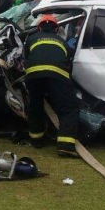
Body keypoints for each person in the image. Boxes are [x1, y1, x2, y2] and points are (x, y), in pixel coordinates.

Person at [23, 14, 81, 155]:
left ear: (39, 28)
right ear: (56, 29)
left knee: (35, 105)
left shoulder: (30, 39)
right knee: (69, 107)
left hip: (33, 75)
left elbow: (25, 56)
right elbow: (68, 59)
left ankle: (36, 140)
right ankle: (65, 146)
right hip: (57, 75)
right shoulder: (62, 41)